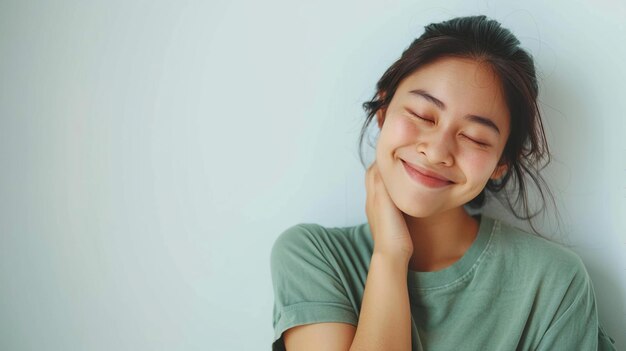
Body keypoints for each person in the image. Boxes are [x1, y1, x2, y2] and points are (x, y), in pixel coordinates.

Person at [270, 15, 617, 350]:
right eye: (422, 115)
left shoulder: (554, 282)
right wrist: (390, 254)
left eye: (475, 138)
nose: (437, 151)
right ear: (383, 109)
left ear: (500, 164)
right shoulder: (312, 257)